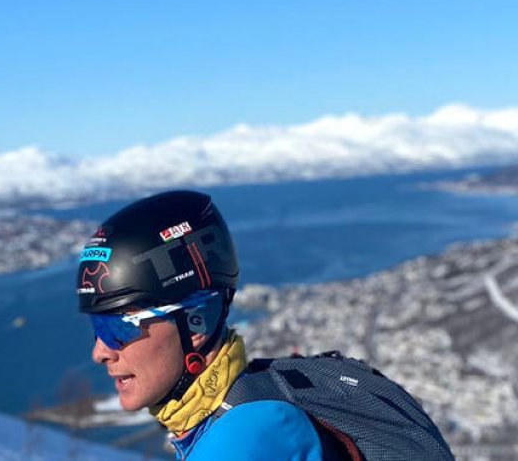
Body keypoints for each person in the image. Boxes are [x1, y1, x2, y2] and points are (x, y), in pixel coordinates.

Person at [76, 190, 342, 460]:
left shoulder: (243, 440)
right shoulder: (255, 400)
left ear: (195, 323)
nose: (100, 353)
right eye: (98, 327)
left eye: (119, 328)